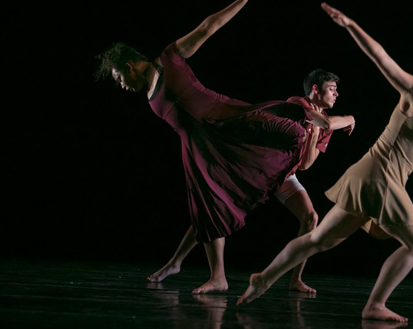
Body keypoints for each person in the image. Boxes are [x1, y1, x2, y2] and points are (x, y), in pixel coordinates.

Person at [237, 2, 413, 323]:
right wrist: (350, 25)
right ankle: (375, 305)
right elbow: (381, 58)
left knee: (318, 240)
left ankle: (263, 278)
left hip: (380, 182)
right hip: (376, 174)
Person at [94, 0, 354, 294]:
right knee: (209, 205)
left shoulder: (170, 58)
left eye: (119, 78)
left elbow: (209, 26)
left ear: (128, 66)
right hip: (202, 147)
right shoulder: (150, 96)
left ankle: (309, 118)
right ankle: (216, 276)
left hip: (224, 120)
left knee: (275, 120)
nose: (122, 85)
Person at [145, 68, 355, 294]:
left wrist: (314, 135)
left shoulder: (325, 124)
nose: (336, 94)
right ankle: (175, 263)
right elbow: (326, 123)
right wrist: (351, 119)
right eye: (332, 89)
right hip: (261, 167)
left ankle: (296, 279)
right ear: (315, 89)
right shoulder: (297, 103)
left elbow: (305, 164)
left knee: (310, 217)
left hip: (285, 174)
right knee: (215, 210)